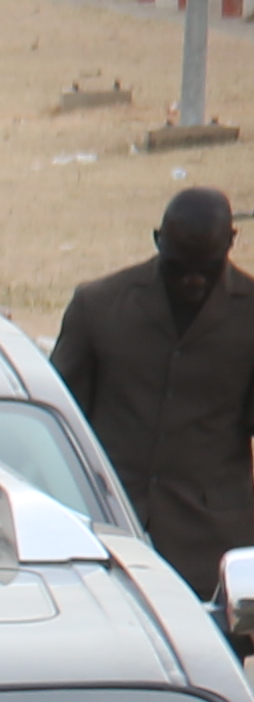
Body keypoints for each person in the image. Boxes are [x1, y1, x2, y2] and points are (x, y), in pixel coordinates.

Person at [56, 193, 254, 627]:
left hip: (210, 543)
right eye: (179, 269)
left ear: (232, 243)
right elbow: (59, 420)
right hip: (109, 530)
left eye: (205, 271)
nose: (192, 283)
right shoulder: (99, 306)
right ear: (157, 241)